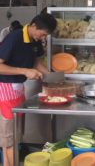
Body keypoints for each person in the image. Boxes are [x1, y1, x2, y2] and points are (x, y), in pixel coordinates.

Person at [0, 13, 57, 166]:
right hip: (5, 89)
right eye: (42, 33)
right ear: (33, 26)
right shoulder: (14, 38)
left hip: (18, 89)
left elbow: (36, 62)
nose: (43, 37)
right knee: (9, 135)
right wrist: (24, 71)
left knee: (17, 132)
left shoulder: (35, 41)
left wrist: (52, 77)